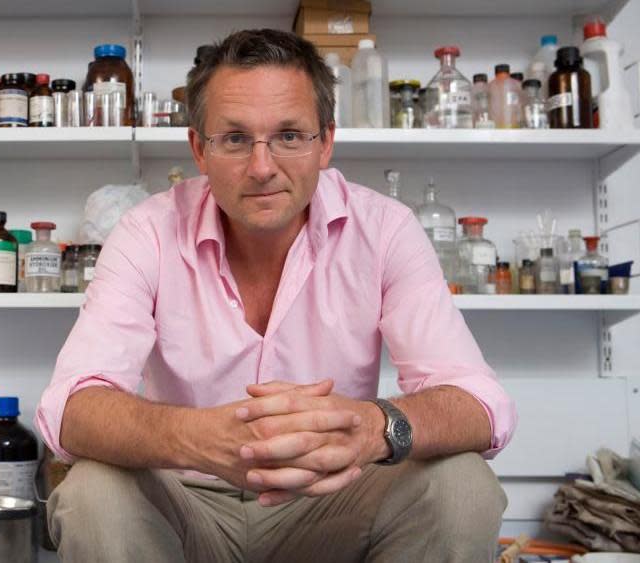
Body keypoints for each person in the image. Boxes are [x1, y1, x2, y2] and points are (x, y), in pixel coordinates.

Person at [36, 28, 517, 563]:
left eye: (289, 135)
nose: (262, 167)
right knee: (92, 492)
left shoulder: (384, 229)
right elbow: (70, 410)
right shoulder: (147, 231)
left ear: (325, 142)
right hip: (184, 505)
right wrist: (200, 439)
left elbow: (480, 404)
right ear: (199, 148)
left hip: (332, 504)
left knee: (462, 485)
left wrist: (374, 426)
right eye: (236, 139)